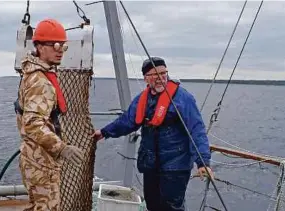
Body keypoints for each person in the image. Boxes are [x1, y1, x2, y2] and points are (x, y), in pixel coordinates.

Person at [93, 56, 214, 211]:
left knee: (171, 207)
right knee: (152, 205)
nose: (160, 78)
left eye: (163, 73)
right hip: (151, 164)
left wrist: (203, 161)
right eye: (155, 75)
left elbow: (197, 130)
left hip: (175, 166)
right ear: (146, 78)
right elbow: (127, 121)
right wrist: (104, 132)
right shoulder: (142, 99)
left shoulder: (183, 98)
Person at [14, 18, 84, 211]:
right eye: (54, 45)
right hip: (41, 161)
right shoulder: (40, 81)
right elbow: (33, 123)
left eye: (63, 46)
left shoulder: (31, 74)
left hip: (34, 157)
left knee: (37, 205)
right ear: (39, 46)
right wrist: (61, 148)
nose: (59, 50)